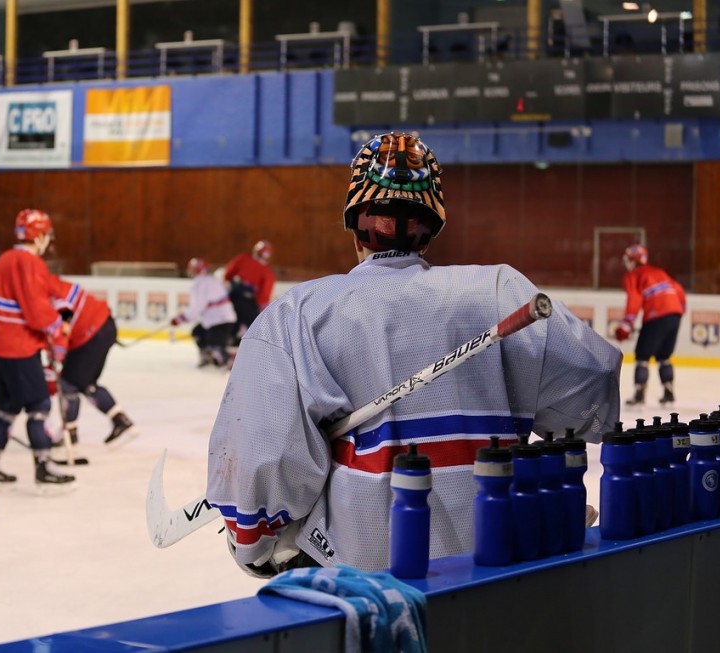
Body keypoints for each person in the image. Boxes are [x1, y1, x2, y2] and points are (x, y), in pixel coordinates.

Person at [205, 132, 622, 577]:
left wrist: (253, 542)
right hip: (502, 570)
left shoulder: (297, 315)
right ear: (431, 228)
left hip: (368, 588)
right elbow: (594, 388)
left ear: (355, 224)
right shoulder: (503, 291)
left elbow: (260, 473)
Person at [0, 209, 75, 492]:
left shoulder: (3, 259)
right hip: (20, 348)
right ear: (38, 236)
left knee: (7, 406)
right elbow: (36, 312)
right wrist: (59, 326)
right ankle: (43, 467)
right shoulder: (31, 263)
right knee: (39, 406)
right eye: (46, 234)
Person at [48, 272, 139, 456]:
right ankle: (120, 421)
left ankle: (71, 433)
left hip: (92, 333)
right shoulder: (54, 283)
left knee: (69, 382)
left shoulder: (46, 293)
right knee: (85, 383)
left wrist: (56, 358)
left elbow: (62, 325)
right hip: (101, 327)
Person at [614, 243, 686, 406]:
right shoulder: (659, 272)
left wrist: (626, 325)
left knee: (642, 355)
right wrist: (678, 311)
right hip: (675, 314)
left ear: (633, 260)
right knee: (664, 356)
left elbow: (634, 300)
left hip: (656, 315)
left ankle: (639, 394)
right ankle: (668, 391)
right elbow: (679, 290)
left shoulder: (634, 275)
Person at [170, 257, 237, 368]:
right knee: (198, 332)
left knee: (214, 344)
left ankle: (228, 363)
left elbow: (197, 307)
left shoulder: (198, 284)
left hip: (218, 320)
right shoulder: (212, 279)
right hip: (224, 318)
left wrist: (181, 318)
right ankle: (209, 357)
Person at [223, 239, 275, 341]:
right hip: (246, 300)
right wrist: (261, 304)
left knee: (232, 321)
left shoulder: (243, 259)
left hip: (233, 295)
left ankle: (230, 338)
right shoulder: (266, 270)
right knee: (253, 324)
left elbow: (228, 274)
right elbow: (265, 293)